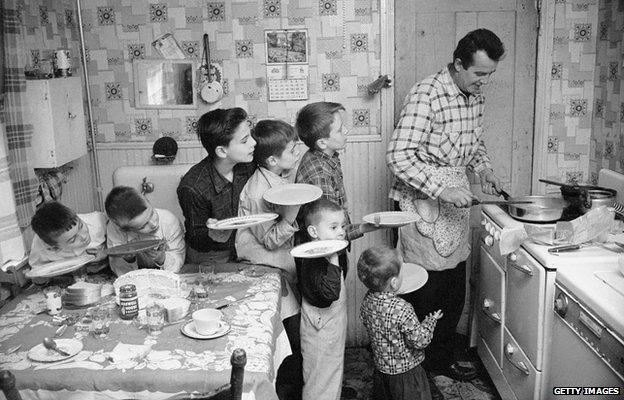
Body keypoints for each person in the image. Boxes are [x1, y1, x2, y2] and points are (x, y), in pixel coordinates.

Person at [386, 28, 505, 381]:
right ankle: (416, 367)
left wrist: (485, 170)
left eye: (490, 75)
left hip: (455, 199)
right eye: (479, 74)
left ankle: (439, 360)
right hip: (424, 199)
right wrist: (440, 189)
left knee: (453, 286)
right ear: (457, 65)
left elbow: (473, 142)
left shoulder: (474, 95)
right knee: (426, 288)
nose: (484, 82)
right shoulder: (427, 94)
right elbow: (398, 156)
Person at [296, 198, 383, 400]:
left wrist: (370, 226)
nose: (341, 232)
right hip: (320, 327)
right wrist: (335, 259)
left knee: (333, 369)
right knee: (319, 378)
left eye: (342, 226)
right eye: (334, 227)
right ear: (313, 233)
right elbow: (329, 294)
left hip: (332, 324)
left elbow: (345, 236)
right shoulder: (313, 258)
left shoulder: (328, 246)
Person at [235, 119, 302, 351]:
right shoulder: (257, 193)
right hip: (264, 269)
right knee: (289, 340)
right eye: (292, 150)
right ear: (272, 160)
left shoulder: (278, 177)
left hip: (281, 266)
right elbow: (270, 241)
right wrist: (290, 217)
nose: (298, 152)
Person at [358, 246, 442, 400]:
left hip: (382, 369)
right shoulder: (402, 308)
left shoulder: (367, 300)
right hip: (407, 373)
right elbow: (419, 341)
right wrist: (430, 322)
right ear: (395, 282)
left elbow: (366, 320)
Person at [177, 108, 256, 264]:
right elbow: (196, 238)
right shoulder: (193, 187)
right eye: (245, 140)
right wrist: (214, 234)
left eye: (251, 135)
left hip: (244, 247)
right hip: (211, 255)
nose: (254, 143)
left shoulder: (247, 163)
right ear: (221, 151)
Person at [106, 186, 185, 276]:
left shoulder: (169, 220)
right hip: (135, 277)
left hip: (166, 275)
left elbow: (179, 257)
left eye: (152, 213)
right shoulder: (115, 230)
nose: (153, 223)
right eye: (143, 226)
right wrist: (128, 260)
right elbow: (118, 270)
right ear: (126, 230)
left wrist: (162, 259)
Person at [29, 201, 107, 272]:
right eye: (73, 240)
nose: (84, 236)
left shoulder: (99, 222)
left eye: (81, 226)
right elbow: (38, 273)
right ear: (55, 248)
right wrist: (39, 279)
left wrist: (107, 253)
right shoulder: (41, 249)